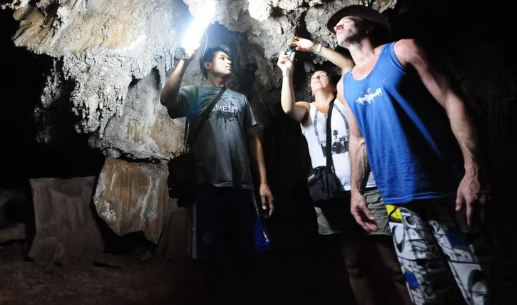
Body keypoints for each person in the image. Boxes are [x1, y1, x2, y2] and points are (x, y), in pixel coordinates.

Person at [329, 4, 498, 304]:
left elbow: (452, 100)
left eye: (345, 19)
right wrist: (356, 191)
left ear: (369, 25)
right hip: (396, 202)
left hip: (445, 190)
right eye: (334, 25)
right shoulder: (345, 86)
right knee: (425, 294)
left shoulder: (404, 51)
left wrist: (473, 169)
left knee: (479, 288)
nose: (336, 25)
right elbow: (358, 139)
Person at [278, 37, 411, 305]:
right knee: (353, 264)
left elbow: (348, 66)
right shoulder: (307, 111)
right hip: (332, 196)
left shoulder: (345, 99)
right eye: (313, 77)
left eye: (322, 74)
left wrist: (315, 48)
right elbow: (288, 107)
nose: (316, 77)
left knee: (392, 262)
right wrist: (287, 72)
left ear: (332, 82)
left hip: (367, 188)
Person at [160, 43, 274, 298]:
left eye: (229, 58)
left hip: (241, 186)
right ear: (208, 65)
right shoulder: (194, 93)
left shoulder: (240, 100)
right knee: (212, 256)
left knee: (246, 254)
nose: (229, 61)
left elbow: (253, 140)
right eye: (222, 57)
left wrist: (263, 182)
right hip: (207, 185)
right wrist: (184, 61)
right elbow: (167, 99)